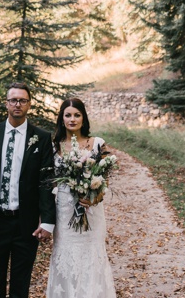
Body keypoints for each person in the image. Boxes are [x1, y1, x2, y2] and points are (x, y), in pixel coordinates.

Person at [0, 82, 56, 298]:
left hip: (25, 222)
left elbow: (47, 181)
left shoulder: (42, 137)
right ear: (6, 103)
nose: (17, 104)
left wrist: (47, 220)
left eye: (22, 100)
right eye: (13, 100)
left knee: (21, 283)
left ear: (29, 104)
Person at [45, 98, 117, 298]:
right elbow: (49, 183)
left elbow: (106, 180)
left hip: (91, 211)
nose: (72, 119)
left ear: (83, 118)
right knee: (66, 256)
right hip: (64, 212)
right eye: (68, 115)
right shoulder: (54, 148)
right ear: (61, 119)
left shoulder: (97, 144)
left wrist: (95, 198)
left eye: (77, 115)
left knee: (91, 257)